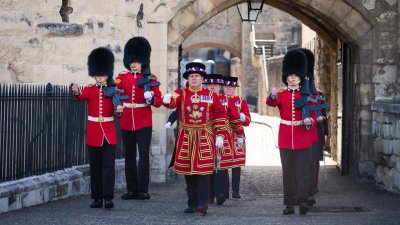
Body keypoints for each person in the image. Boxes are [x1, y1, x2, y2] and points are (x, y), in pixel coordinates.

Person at [163, 62, 227, 216]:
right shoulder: (181, 93)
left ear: (202, 78)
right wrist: (165, 99)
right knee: (188, 172)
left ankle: (202, 204)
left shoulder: (211, 95)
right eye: (191, 76)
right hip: (186, 136)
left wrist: (220, 134)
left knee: (204, 172)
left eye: (196, 76)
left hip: (204, 137)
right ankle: (191, 203)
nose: (193, 79)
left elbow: (220, 115)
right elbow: (172, 102)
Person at [266, 49, 313, 215]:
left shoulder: (306, 94)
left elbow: (313, 113)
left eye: (296, 75)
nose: (293, 78)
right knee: (288, 172)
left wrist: (309, 121)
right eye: (290, 75)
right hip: (286, 138)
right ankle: (289, 204)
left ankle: (302, 200)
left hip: (303, 137)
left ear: (300, 77)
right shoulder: (282, 94)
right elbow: (271, 103)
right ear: (286, 77)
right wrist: (272, 95)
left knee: (302, 172)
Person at [115, 36, 162, 200]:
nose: (134, 63)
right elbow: (115, 94)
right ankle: (131, 189)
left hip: (143, 121)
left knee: (143, 156)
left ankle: (143, 189)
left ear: (143, 61)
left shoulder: (151, 78)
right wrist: (118, 104)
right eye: (132, 60)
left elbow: (159, 101)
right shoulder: (122, 77)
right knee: (128, 156)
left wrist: (151, 98)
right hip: (127, 120)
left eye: (137, 61)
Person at [71, 47, 117, 209]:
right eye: (98, 75)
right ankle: (97, 198)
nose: (100, 77)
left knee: (108, 167)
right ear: (94, 75)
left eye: (103, 75)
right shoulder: (89, 90)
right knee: (95, 167)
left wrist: (119, 109)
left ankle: (108, 197)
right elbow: (81, 97)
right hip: (94, 133)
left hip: (109, 133)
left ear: (107, 74)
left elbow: (117, 109)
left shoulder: (113, 90)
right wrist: (76, 91)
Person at [203, 74, 244, 205]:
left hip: (222, 135)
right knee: (207, 166)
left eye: (214, 85)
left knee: (220, 165)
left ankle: (220, 193)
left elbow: (234, 118)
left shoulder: (226, 99)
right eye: (209, 85)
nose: (211, 87)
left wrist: (240, 134)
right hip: (204, 135)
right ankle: (209, 195)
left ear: (219, 86)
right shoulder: (200, 97)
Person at [222, 76, 251, 199]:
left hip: (237, 135)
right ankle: (224, 191)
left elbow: (248, 121)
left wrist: (244, 118)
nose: (228, 89)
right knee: (223, 164)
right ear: (223, 87)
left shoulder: (241, 101)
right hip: (223, 135)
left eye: (231, 87)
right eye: (227, 87)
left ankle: (235, 190)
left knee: (236, 164)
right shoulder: (219, 99)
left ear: (234, 88)